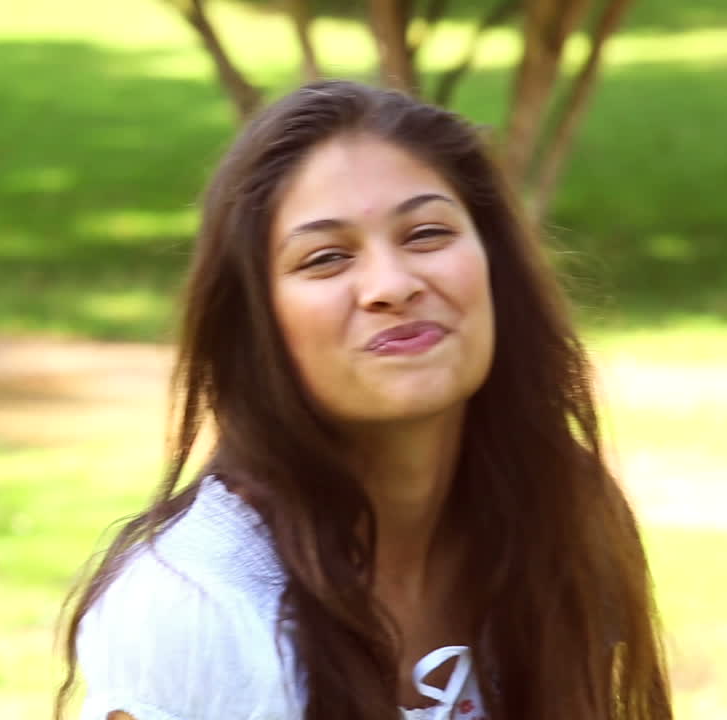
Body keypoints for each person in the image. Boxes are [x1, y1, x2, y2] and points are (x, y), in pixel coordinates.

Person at [56, 79, 671, 720]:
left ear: (496, 267)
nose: (392, 285)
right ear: (256, 325)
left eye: (426, 234)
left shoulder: (567, 522)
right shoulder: (196, 609)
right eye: (325, 258)